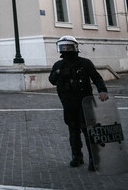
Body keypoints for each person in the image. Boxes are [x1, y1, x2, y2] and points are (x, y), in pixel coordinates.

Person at [49, 35, 108, 171]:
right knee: (73, 131)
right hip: (68, 104)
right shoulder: (58, 65)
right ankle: (77, 156)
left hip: (84, 102)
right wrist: (58, 73)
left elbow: (96, 78)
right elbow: (52, 80)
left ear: (75, 48)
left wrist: (102, 91)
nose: (66, 49)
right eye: (63, 47)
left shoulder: (85, 63)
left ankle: (94, 158)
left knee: (88, 131)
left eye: (68, 47)